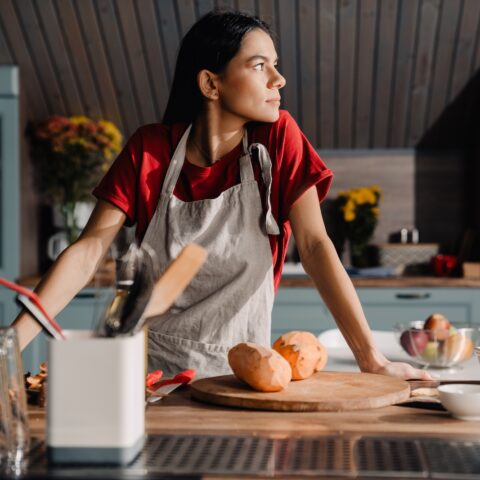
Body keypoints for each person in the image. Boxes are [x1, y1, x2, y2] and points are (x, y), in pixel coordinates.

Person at [13, 10, 430, 380]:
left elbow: (315, 245)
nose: (278, 79)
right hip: (149, 379)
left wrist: (371, 359)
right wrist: (10, 346)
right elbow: (88, 250)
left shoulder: (278, 139)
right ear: (211, 84)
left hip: (239, 379)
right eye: (260, 65)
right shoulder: (150, 150)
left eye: (276, 66)